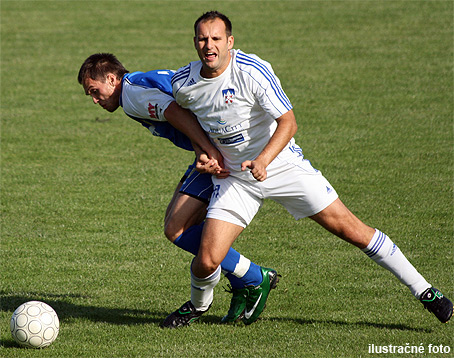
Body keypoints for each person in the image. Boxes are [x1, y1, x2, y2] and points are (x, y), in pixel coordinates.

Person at [161, 11, 453, 328]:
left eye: (216, 38)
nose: (209, 45)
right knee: (206, 260)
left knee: (352, 230)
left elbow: (289, 122)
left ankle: (425, 291)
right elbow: (182, 114)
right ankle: (198, 307)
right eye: (203, 39)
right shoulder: (183, 83)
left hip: (283, 167)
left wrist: (263, 160)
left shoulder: (251, 71)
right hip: (236, 180)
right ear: (194, 42)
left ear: (230, 42)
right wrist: (205, 150)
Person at [77, 53, 280, 324]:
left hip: (220, 149)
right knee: (175, 225)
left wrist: (206, 151)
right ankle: (244, 278)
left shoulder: (132, 95)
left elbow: (175, 112)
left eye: (95, 91)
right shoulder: (137, 85)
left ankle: (251, 277)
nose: (95, 100)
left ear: (112, 79)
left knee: (177, 227)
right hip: (215, 145)